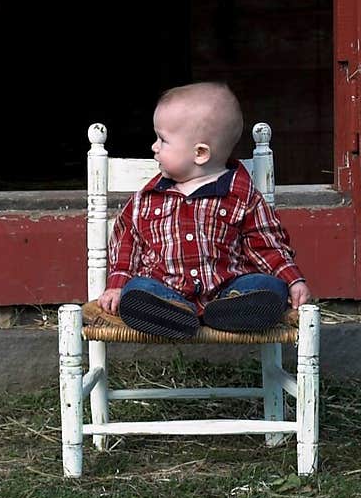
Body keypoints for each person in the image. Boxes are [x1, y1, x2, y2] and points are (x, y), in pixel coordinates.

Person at [95, 81, 312, 338]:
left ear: (199, 153)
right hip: (166, 290)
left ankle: (232, 313)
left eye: (162, 140)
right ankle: (171, 314)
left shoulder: (242, 196)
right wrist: (118, 285)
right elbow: (126, 243)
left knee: (269, 287)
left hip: (228, 290)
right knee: (138, 290)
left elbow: (267, 244)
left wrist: (292, 279)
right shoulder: (147, 198)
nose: (154, 146)